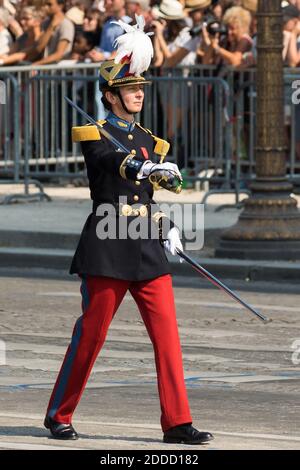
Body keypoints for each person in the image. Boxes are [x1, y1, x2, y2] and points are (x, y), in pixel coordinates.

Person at [44, 15, 214, 446]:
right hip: (107, 244)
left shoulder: (149, 139)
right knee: (92, 334)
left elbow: (151, 196)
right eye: (130, 89)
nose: (139, 94)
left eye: (140, 88)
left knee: (168, 338)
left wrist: (170, 225)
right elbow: (107, 163)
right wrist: (143, 166)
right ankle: (59, 413)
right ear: (110, 95)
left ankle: (177, 422)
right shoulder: (94, 133)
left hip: (146, 245)